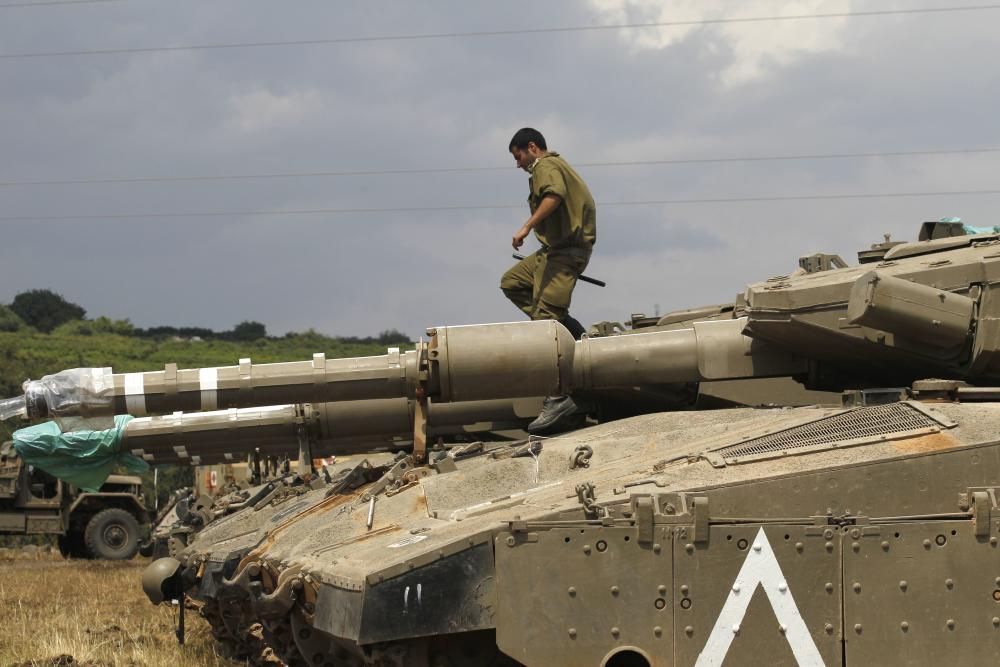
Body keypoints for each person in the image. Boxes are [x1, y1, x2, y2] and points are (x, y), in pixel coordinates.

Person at [500, 128, 597, 433]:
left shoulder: (546, 166)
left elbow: (554, 196)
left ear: (532, 148)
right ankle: (574, 336)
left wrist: (526, 227)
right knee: (512, 282)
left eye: (519, 157)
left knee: (544, 325)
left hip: (566, 253)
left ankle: (560, 396)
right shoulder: (550, 166)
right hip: (551, 252)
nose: (518, 164)